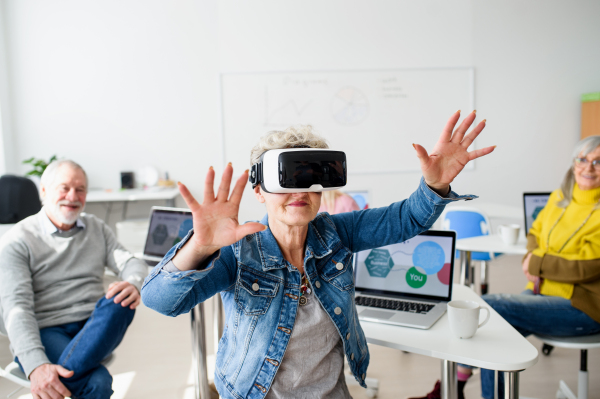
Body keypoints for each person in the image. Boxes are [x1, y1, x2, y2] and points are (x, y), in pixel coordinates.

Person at [141, 111, 494, 399]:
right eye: (286, 177)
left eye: (309, 177)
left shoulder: (335, 233)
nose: (299, 190)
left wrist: (435, 187)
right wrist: (200, 248)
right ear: (259, 191)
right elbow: (161, 301)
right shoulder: (238, 252)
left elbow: (405, 219)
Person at [415, 136, 600, 399]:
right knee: (492, 335)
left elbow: (587, 267)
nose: (588, 168)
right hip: (544, 292)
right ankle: (455, 386)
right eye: (582, 160)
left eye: (597, 162)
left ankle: (453, 386)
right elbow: (535, 232)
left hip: (583, 306)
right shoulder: (562, 197)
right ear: (573, 164)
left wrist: (535, 262)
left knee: (492, 306)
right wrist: (533, 257)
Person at [0, 160, 148, 399]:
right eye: (64, 187)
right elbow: (17, 310)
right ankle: (53, 377)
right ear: (44, 191)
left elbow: (130, 262)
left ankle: (52, 382)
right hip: (47, 329)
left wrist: (133, 282)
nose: (72, 196)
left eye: (80, 189)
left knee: (122, 300)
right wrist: (36, 365)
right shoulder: (17, 240)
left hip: (93, 327)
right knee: (98, 382)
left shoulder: (96, 228)